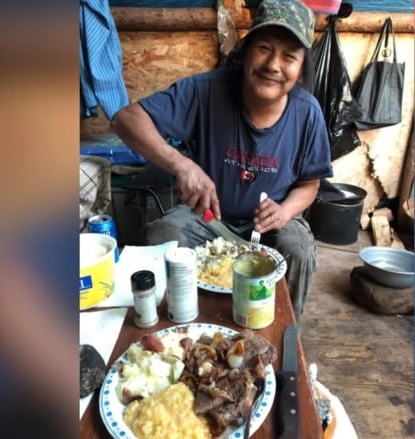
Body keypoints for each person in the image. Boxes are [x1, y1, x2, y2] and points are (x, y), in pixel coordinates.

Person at [111, 0, 332, 320]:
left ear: (300, 69)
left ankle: (285, 329)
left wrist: (284, 211)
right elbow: (125, 120)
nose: (273, 65)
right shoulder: (206, 90)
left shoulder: (307, 112)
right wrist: (182, 165)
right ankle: (182, 322)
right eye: (264, 48)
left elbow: (310, 183)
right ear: (246, 52)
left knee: (298, 247)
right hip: (208, 219)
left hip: (270, 228)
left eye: (289, 56)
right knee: (164, 234)